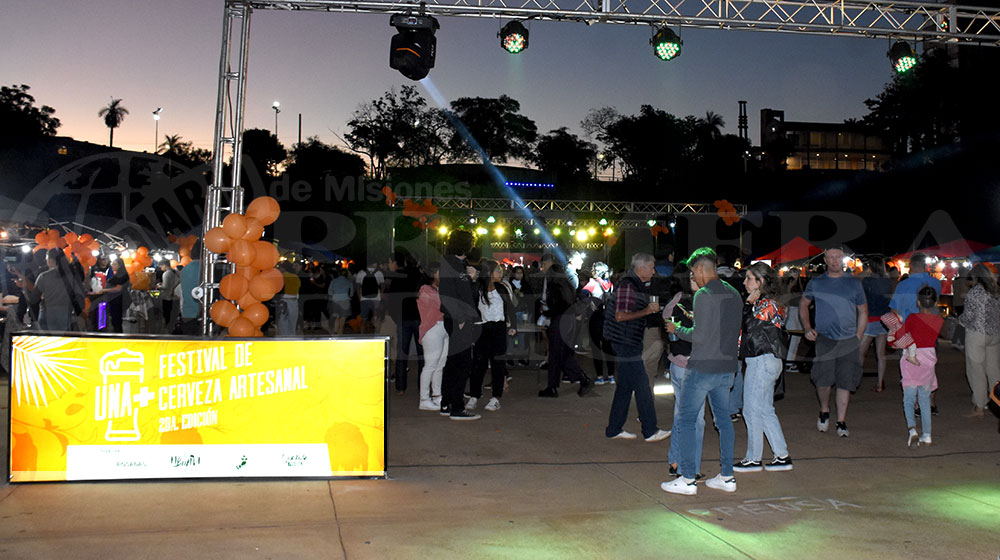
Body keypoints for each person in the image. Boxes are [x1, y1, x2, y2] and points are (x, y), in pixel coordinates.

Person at [662, 247, 742, 495]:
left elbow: (700, 335)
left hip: (703, 367)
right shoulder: (734, 293)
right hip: (727, 367)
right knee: (723, 422)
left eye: (692, 273)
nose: (692, 278)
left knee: (686, 420)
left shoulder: (703, 295)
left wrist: (676, 330)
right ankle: (727, 477)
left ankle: (687, 480)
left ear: (700, 269)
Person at [800, 246, 867, 438]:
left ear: (843, 259)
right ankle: (824, 410)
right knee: (823, 380)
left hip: (848, 340)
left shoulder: (854, 283)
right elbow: (804, 304)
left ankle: (841, 421)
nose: (835, 260)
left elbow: (863, 310)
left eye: (838, 257)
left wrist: (858, 337)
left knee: (845, 381)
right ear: (826, 260)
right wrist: (807, 327)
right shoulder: (817, 282)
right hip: (825, 339)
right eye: (831, 257)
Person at [602, 253, 670, 442]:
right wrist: (646, 311)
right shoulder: (627, 285)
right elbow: (620, 316)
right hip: (625, 342)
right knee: (642, 386)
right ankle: (650, 430)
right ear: (642, 268)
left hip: (627, 340)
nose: (654, 271)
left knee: (625, 386)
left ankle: (614, 428)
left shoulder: (633, 284)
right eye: (652, 267)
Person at [734, 262, 793, 473]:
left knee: (751, 410)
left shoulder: (767, 305)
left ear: (761, 282)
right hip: (765, 360)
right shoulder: (770, 303)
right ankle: (781, 455)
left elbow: (750, 329)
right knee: (765, 410)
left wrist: (748, 305)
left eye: (749, 278)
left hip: (762, 360)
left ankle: (753, 458)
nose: (744, 282)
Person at [665, 263, 707, 477]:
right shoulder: (703, 302)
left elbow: (665, 317)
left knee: (681, 415)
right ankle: (689, 469)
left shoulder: (679, 299)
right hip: (692, 367)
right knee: (696, 421)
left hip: (679, 364)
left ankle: (675, 460)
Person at [889, 287, 944, 447]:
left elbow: (901, 336)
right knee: (925, 400)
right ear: (935, 302)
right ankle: (927, 435)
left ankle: (912, 429)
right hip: (928, 359)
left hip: (911, 359)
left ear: (918, 302)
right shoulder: (938, 320)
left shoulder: (912, 318)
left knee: (909, 399)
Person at [438, 230, 482, 420]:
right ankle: (456, 407)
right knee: (462, 364)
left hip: (460, 319)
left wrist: (473, 280)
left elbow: (466, 294)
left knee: (454, 363)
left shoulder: (459, 264)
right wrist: (461, 319)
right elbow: (447, 295)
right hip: (458, 320)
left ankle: (447, 403)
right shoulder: (450, 264)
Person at [467, 259, 517, 412]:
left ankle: (496, 397)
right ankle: (474, 395)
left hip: (499, 329)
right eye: (497, 271)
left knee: (497, 364)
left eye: (501, 271)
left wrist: (513, 326)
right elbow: (472, 309)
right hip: (482, 329)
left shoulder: (502, 288)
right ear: (488, 272)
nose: (500, 273)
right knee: (478, 364)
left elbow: (510, 309)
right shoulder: (478, 289)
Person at [537, 261, 593, 398]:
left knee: (557, 355)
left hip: (560, 321)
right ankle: (576, 380)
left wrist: (545, 314)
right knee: (564, 354)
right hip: (570, 321)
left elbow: (557, 308)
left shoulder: (553, 287)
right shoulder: (567, 286)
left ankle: (561, 384)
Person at [959, 264, 1000, 417]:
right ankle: (997, 401)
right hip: (995, 335)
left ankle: (979, 406)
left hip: (977, 334)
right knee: (994, 370)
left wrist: (960, 321)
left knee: (976, 371)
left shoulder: (974, 293)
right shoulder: (996, 291)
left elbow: (968, 316)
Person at [385, 250, 424, 395]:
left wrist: (396, 317)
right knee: (422, 354)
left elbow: (392, 300)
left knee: (402, 353)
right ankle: (423, 387)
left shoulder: (398, 277)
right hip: (420, 318)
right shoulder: (421, 277)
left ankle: (401, 387)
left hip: (403, 318)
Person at [27, 248, 83, 332]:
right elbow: (80, 297)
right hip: (65, 315)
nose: (46, 261)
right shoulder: (72, 276)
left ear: (51, 260)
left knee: (47, 342)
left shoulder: (43, 276)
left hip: (46, 315)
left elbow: (34, 298)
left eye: (46, 259)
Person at [860, 259, 893, 392]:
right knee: (881, 354)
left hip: (870, 318)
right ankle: (880, 383)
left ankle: (856, 380)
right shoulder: (887, 282)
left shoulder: (866, 281)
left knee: (861, 352)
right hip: (884, 319)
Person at [417, 262, 446, 411]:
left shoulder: (439, 289)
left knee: (439, 365)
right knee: (430, 365)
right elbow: (441, 305)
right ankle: (424, 398)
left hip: (443, 329)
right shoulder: (425, 290)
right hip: (432, 329)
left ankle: (437, 396)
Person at [583, 262, 615, 385]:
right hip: (608, 319)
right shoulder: (610, 284)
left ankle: (600, 376)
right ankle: (611, 375)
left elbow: (582, 294)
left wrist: (590, 302)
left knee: (596, 347)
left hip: (595, 318)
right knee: (608, 347)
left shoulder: (592, 283)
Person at [100, 257, 131, 333]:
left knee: (116, 320)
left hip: (118, 300)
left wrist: (105, 290)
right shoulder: (119, 274)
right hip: (115, 300)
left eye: (114, 264)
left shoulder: (122, 275)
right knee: (115, 320)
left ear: (119, 265)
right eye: (112, 264)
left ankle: (118, 335)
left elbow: (118, 288)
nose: (112, 266)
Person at [355, 262, 385, 334]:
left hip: (364, 299)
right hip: (376, 299)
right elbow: (383, 285)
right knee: (376, 318)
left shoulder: (361, 273)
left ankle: (363, 335)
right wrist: (381, 294)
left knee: (363, 320)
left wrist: (359, 298)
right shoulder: (379, 273)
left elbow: (357, 287)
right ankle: (377, 334)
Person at [327, 268, 354, 335]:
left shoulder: (333, 281)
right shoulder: (349, 282)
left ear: (339, 273)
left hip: (335, 300)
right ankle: (340, 333)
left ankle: (336, 332)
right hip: (345, 301)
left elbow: (329, 292)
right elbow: (351, 293)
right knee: (343, 318)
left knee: (337, 317)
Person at [158, 261, 180, 329]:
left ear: (164, 265)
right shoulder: (176, 272)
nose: (161, 268)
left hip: (167, 297)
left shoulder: (166, 274)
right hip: (176, 296)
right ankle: (173, 327)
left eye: (161, 267)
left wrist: (159, 286)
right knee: (174, 315)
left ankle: (168, 328)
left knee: (167, 315)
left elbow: (166, 287)